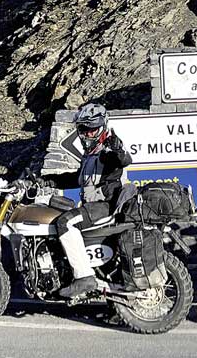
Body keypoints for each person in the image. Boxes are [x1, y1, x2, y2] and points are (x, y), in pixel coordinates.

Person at [51, 103, 132, 298]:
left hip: (106, 206)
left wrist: (117, 148)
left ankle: (84, 277)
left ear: (102, 127)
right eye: (83, 129)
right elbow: (77, 178)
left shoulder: (107, 150)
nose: (87, 134)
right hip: (93, 206)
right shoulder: (91, 153)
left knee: (65, 222)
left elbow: (123, 160)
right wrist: (46, 180)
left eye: (91, 129)